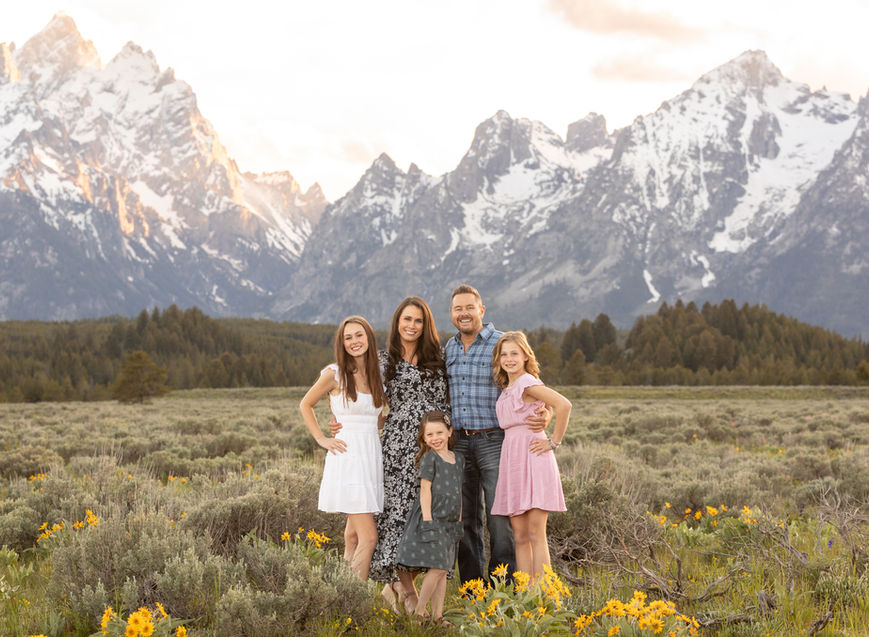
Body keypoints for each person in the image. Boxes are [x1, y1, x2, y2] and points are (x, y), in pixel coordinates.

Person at [330, 297, 449, 611]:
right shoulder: (383, 361)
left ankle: (421, 601)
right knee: (396, 520)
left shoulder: (438, 358)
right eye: (406, 319)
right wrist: (338, 420)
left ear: (426, 326)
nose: (411, 326)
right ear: (397, 323)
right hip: (396, 449)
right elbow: (348, 383)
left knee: (427, 519)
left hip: (432, 447)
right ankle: (404, 592)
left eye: (418, 321)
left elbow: (444, 405)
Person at [445, 284, 551, 584]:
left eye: (469, 307)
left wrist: (545, 412)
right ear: (452, 314)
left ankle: (504, 588)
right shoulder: (449, 348)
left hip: (494, 441)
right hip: (459, 443)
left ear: (482, 310)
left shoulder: (500, 343)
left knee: (500, 519)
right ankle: (473, 589)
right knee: (465, 520)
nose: (464, 313)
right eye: (458, 309)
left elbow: (531, 385)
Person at [299, 316, 387, 581]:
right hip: (347, 457)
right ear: (342, 343)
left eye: (359, 335)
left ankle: (340, 592)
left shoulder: (377, 374)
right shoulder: (334, 374)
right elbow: (305, 404)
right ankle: (354, 599)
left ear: (369, 338)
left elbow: (376, 418)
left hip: (370, 454)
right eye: (348, 338)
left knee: (352, 535)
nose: (354, 342)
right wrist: (322, 438)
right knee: (369, 537)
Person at [490, 331, 570, 579]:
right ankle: (525, 594)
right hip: (512, 460)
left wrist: (553, 441)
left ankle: (544, 595)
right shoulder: (507, 388)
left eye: (514, 353)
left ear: (526, 356)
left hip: (534, 457)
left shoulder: (527, 382)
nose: (509, 359)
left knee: (536, 533)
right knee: (520, 535)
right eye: (504, 354)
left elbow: (564, 405)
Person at [395, 411, 463, 625]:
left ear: (450, 432)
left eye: (439, 432)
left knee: (442, 570)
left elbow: (459, 491)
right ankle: (420, 612)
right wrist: (427, 521)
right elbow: (425, 491)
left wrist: (459, 521)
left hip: (450, 521)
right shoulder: (429, 458)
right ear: (424, 438)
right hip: (432, 518)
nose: (435, 438)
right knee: (437, 568)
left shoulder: (458, 459)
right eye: (430, 434)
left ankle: (437, 616)